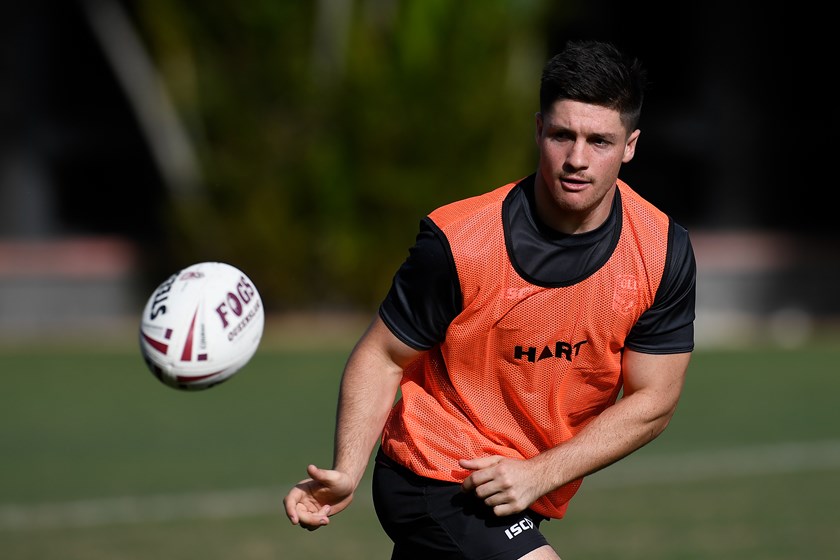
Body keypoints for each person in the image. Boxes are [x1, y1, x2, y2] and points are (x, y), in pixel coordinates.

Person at [284, 39, 696, 560]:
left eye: (599, 141)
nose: (577, 159)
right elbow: (383, 354)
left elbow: (653, 400)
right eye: (563, 135)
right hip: (435, 470)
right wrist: (346, 469)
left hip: (519, 484)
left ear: (630, 146)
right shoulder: (461, 241)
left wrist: (540, 473)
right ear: (539, 130)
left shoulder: (661, 251)